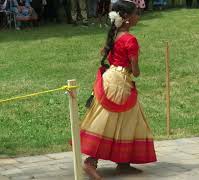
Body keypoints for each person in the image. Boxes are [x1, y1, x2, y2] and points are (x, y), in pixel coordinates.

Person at [80, 0, 157, 179]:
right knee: (110, 121)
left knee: (128, 119)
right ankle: (90, 162)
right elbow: (136, 72)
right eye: (136, 13)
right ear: (127, 18)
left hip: (111, 78)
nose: (139, 16)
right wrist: (135, 67)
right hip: (120, 83)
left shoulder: (114, 35)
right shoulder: (130, 39)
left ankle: (123, 163)